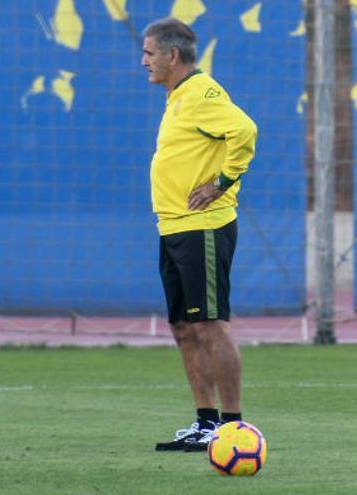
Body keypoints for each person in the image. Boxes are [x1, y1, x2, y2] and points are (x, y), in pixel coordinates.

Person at [141, 17, 258, 452]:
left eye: (149, 53)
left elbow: (245, 131)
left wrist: (222, 183)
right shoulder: (177, 98)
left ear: (172, 55)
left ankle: (233, 427)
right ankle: (205, 423)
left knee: (210, 325)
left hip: (203, 227)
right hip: (173, 226)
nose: (144, 61)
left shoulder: (202, 93)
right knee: (183, 328)